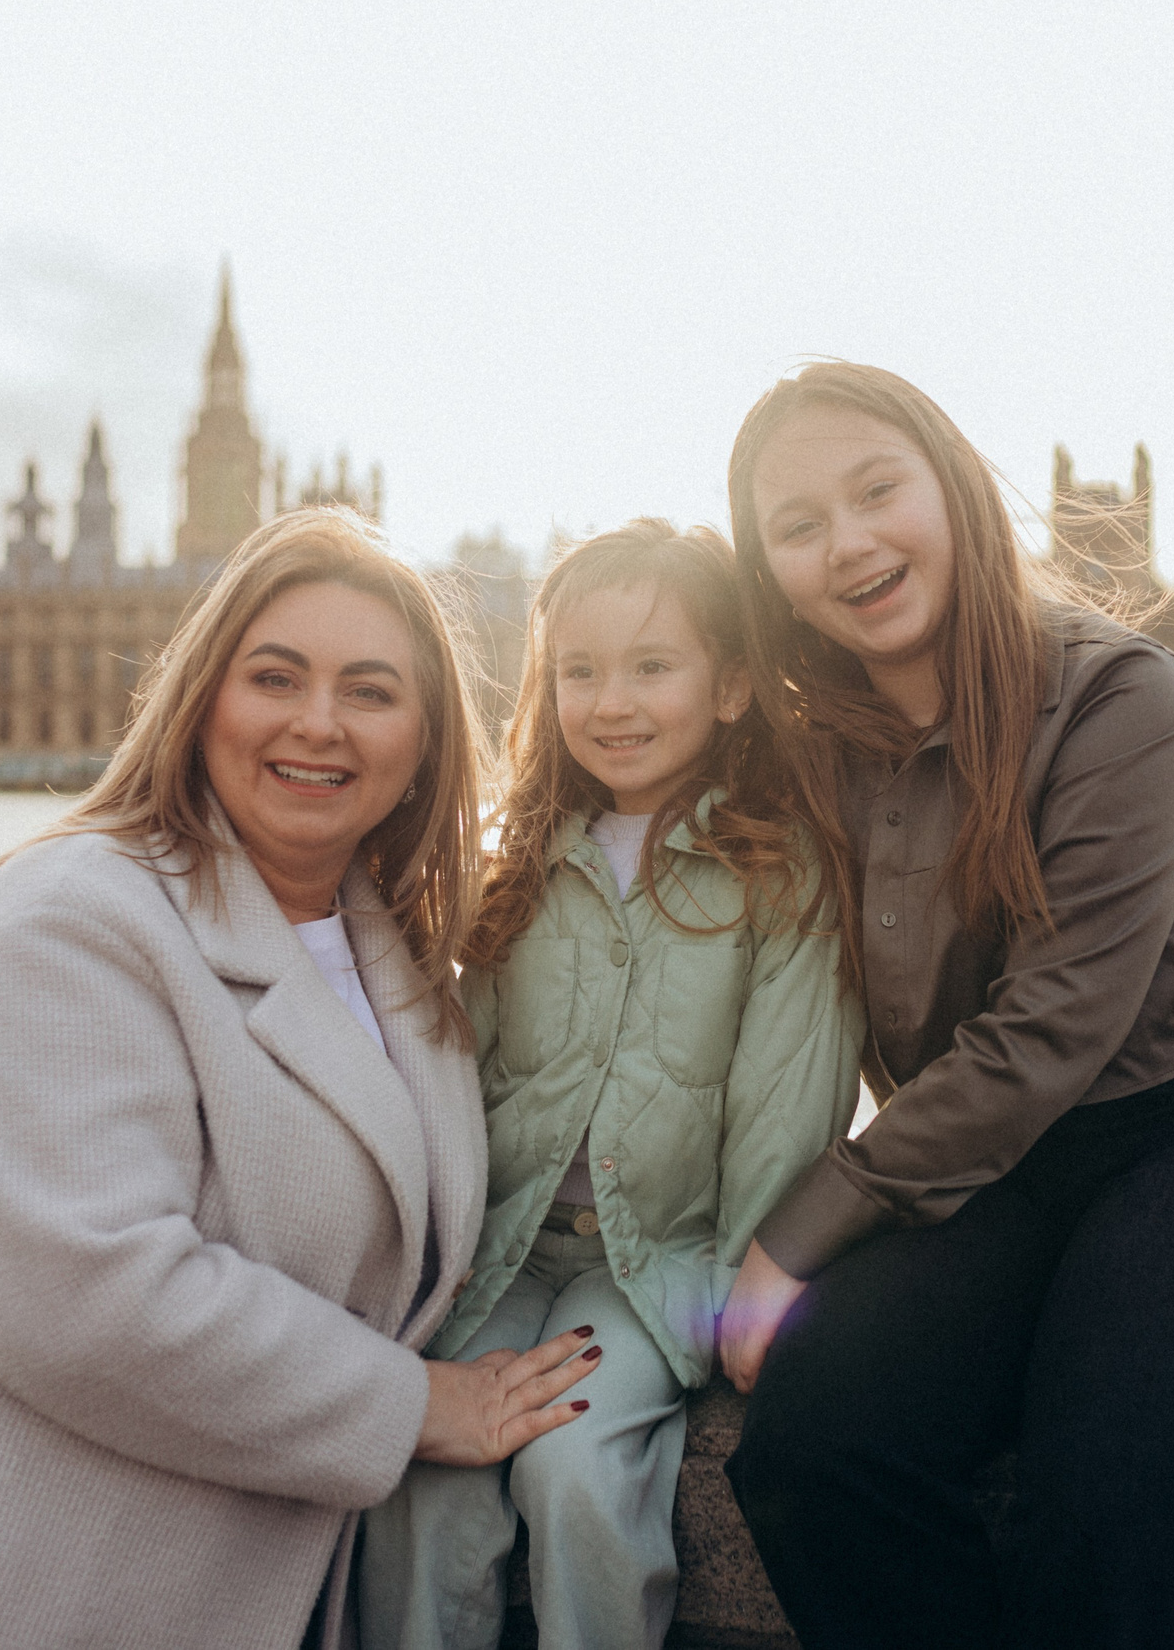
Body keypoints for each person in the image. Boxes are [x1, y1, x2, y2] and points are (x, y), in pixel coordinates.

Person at [0, 511, 599, 1650]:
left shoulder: (402, 961)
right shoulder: (70, 918)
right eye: (275, 677)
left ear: (427, 740)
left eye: (369, 690)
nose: (318, 722)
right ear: (201, 699)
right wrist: (416, 1408)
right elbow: (84, 1294)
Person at [714, 366, 1174, 1650]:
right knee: (811, 1447)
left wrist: (794, 1235)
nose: (849, 544)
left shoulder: (1123, 695)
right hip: (979, 1179)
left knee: (1125, 1506)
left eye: (877, 490)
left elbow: (1052, 1028)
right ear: (767, 572)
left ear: (952, 485)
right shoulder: (796, 748)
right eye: (798, 525)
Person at [359, 519, 862, 1650]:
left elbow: (786, 1103)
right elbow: (457, 1074)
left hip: (655, 1267)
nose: (611, 702)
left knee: (577, 1467)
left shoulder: (779, 871)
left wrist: (733, 1297)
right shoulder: (520, 858)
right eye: (579, 671)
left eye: (651, 666)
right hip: (505, 1244)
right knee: (422, 1470)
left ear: (730, 687)